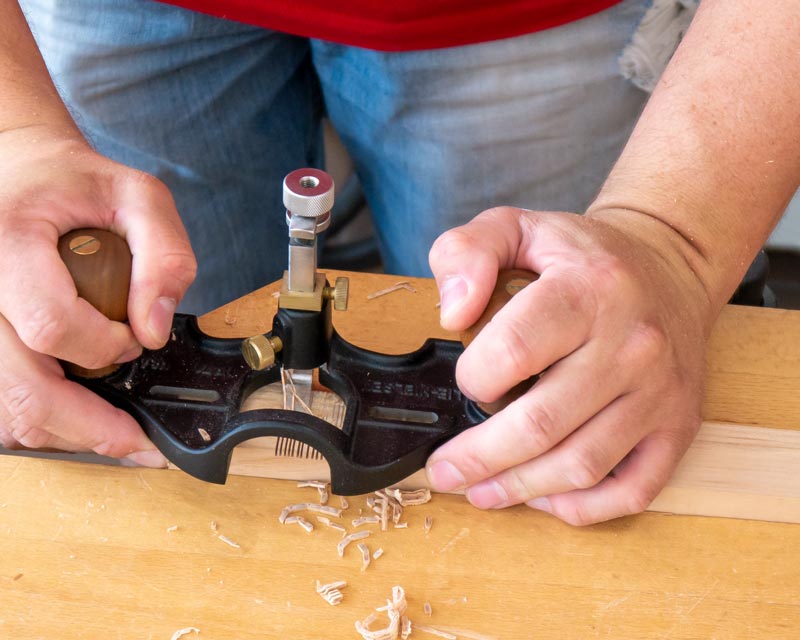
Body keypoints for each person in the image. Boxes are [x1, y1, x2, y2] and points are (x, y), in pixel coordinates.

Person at [0, 0, 797, 525]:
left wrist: (671, 239)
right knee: (106, 348)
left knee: (541, 372)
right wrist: (14, 141)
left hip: (523, 21)